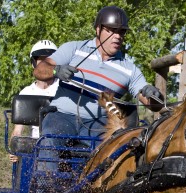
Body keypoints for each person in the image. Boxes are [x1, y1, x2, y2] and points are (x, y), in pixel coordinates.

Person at [33, 5, 163, 171]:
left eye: (121, 32)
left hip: (98, 126)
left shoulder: (129, 70)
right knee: (49, 138)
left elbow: (153, 103)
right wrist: (55, 70)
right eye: (111, 31)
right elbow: (39, 70)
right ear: (98, 29)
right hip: (61, 116)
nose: (117, 37)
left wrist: (152, 94)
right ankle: (46, 190)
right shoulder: (73, 49)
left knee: (113, 153)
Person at [9, 40, 60, 163]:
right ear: (34, 63)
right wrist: (13, 148)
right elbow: (18, 130)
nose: (45, 64)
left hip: (59, 142)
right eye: (41, 60)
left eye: (49, 60)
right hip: (35, 146)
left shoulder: (64, 88)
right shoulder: (27, 93)